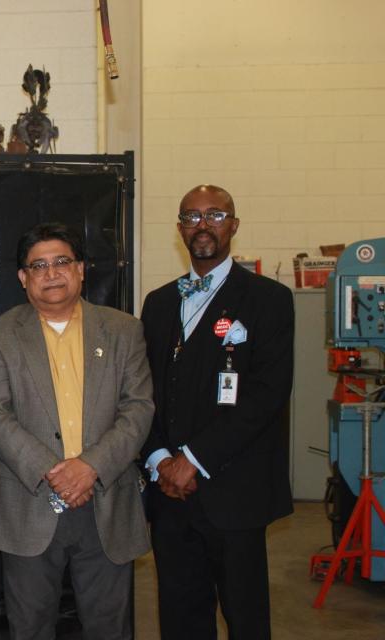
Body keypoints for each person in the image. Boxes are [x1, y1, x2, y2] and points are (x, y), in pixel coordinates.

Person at [0, 222, 153, 640]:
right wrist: (54, 471)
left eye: (62, 262)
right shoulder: (1, 334)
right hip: (28, 499)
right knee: (30, 628)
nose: (51, 273)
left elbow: (139, 407)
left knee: (109, 627)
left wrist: (89, 467)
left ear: (81, 270)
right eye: (38, 265)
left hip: (106, 502)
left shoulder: (124, 330)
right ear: (24, 278)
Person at [140, 184, 293, 640]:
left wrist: (194, 459)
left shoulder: (268, 299)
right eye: (191, 217)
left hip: (234, 492)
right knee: (181, 617)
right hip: (170, 494)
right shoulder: (159, 302)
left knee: (245, 619)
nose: (203, 225)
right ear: (180, 230)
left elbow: (267, 394)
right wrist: (160, 460)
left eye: (215, 215)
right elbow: (141, 392)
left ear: (234, 225)